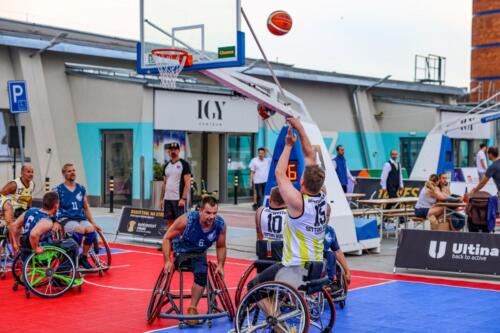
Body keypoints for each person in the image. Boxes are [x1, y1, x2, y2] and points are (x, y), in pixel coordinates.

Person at [249, 117, 327, 290]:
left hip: (295, 268)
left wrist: (289, 145)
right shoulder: (323, 196)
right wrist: (300, 127)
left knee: (254, 286)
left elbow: (279, 173)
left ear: (302, 183)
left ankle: (272, 316)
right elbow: (309, 155)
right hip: (317, 265)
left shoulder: (298, 204)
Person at [162, 196, 227, 326]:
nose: (212, 216)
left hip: (199, 254)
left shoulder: (220, 224)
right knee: (197, 263)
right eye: (208, 213)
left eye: (214, 213)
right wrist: (167, 260)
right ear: (200, 211)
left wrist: (220, 265)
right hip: (182, 252)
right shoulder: (187, 220)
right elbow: (166, 238)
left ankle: (192, 308)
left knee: (202, 272)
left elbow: (221, 246)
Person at [53, 163, 102, 269]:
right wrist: (55, 221)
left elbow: (86, 207)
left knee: (90, 229)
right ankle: (73, 256)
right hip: (66, 218)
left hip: (80, 217)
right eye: (69, 171)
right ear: (64, 173)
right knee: (80, 229)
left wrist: (93, 222)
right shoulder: (58, 190)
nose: (72, 173)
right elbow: (53, 208)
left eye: (74, 170)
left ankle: (83, 257)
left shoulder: (81, 188)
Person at [9, 192, 78, 263]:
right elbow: (33, 234)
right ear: (56, 206)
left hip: (24, 253)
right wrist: (36, 248)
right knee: (73, 245)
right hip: (39, 255)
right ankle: (64, 272)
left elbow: (13, 226)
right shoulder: (46, 221)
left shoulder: (31, 211)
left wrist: (15, 243)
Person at [160, 142, 191, 228]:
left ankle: (179, 240)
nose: (173, 151)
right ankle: (170, 240)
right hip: (167, 198)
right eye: (171, 150)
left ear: (179, 151)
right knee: (169, 221)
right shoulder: (166, 165)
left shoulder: (184, 164)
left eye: (175, 149)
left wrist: (183, 198)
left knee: (179, 222)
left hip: (178, 199)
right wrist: (161, 199)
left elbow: (187, 183)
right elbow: (164, 183)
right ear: (168, 151)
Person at [323, 204, 351, 287]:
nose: (325, 218)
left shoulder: (330, 231)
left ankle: (329, 283)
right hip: (311, 257)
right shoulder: (309, 229)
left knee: (331, 255)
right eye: (323, 215)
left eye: (328, 215)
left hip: (324, 259)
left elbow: (337, 251)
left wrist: (347, 271)